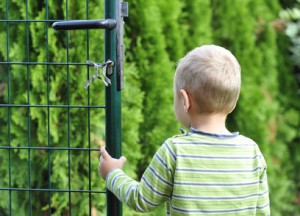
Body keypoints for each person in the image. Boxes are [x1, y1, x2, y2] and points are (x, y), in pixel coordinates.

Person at [98, 45, 270, 215]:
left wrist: (112, 173)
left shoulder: (174, 151)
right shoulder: (252, 152)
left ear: (185, 101)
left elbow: (142, 199)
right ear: (233, 103)